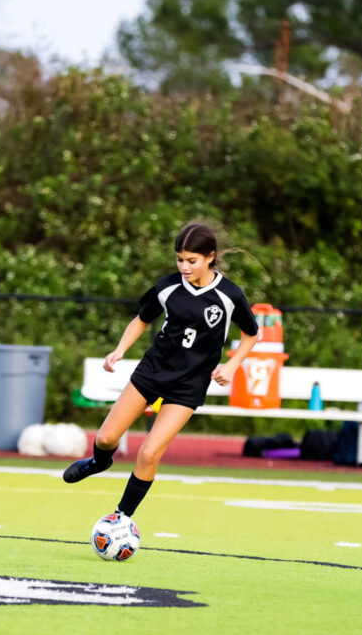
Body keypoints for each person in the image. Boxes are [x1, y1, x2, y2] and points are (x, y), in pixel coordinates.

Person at [62, 222, 260, 520]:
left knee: (149, 453)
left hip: (189, 385)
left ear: (210, 257)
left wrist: (231, 365)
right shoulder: (167, 286)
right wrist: (120, 350)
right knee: (105, 439)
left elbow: (252, 333)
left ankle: (120, 518)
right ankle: (99, 463)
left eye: (191, 260)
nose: (184, 266)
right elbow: (141, 320)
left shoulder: (229, 295)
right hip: (153, 371)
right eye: (179, 259)